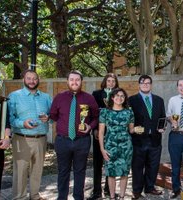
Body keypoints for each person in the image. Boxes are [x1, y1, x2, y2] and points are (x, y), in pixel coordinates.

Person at [49, 70, 99, 200]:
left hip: (82, 141)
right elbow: (53, 115)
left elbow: (96, 117)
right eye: (72, 79)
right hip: (62, 141)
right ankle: (62, 197)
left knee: (80, 171)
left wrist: (90, 126)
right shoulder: (59, 97)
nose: (74, 82)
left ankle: (78, 197)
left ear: (81, 81)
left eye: (77, 80)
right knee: (63, 171)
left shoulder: (89, 98)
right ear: (67, 81)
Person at [8, 70, 52, 200]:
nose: (32, 81)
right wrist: (23, 123)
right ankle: (19, 197)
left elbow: (54, 116)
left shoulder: (46, 97)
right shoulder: (14, 96)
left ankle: (35, 196)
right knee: (21, 170)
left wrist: (48, 118)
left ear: (38, 80)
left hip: (41, 139)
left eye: (34, 79)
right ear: (24, 79)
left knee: (37, 170)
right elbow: (10, 119)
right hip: (22, 138)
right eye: (29, 78)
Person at [127, 75, 166, 199]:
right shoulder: (131, 100)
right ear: (139, 84)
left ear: (151, 85)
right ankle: (137, 190)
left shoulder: (159, 100)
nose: (145, 85)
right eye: (143, 83)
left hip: (155, 138)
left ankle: (150, 187)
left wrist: (162, 127)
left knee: (153, 165)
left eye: (148, 83)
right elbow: (128, 119)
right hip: (138, 139)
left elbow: (162, 117)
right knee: (137, 166)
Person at [98, 88, 134, 200]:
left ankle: (122, 197)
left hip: (126, 147)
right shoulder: (105, 112)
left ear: (125, 98)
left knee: (124, 172)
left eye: (122, 96)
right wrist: (102, 149)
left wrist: (139, 129)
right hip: (110, 146)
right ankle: (112, 197)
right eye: (117, 95)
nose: (119, 98)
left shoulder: (129, 112)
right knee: (111, 172)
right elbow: (101, 132)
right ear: (112, 97)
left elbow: (131, 130)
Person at [90, 73, 119, 199]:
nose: (111, 83)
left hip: (113, 134)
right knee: (97, 163)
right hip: (99, 134)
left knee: (111, 162)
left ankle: (109, 190)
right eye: (109, 81)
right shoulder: (96, 94)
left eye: (113, 81)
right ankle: (96, 191)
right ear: (105, 82)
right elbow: (92, 113)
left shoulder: (119, 95)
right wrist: (95, 129)